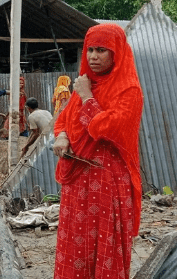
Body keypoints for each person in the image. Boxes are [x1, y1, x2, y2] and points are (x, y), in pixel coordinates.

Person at [52, 24, 143, 279]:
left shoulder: (128, 90)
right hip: (77, 180)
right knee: (75, 242)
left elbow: (108, 128)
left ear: (117, 53)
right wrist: (62, 136)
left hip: (107, 181)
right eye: (90, 49)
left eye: (101, 50)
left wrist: (86, 96)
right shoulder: (86, 83)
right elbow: (64, 120)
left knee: (105, 243)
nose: (93, 56)